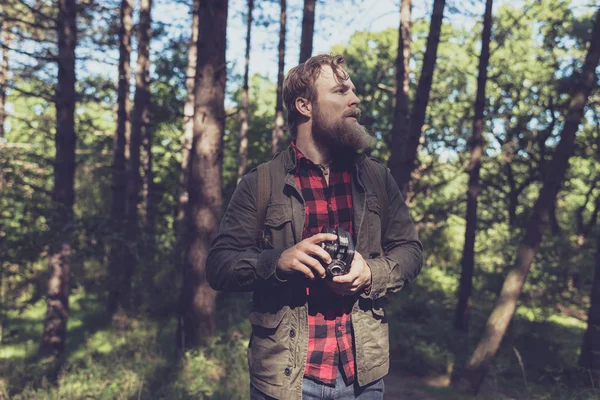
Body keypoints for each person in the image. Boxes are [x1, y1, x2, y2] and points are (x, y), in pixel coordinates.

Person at [206, 54, 423, 400]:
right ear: (304, 105)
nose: (355, 99)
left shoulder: (376, 178)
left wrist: (370, 272)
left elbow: (411, 251)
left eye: (352, 90)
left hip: (362, 379)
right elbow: (219, 265)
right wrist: (276, 262)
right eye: (340, 91)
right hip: (285, 379)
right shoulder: (262, 182)